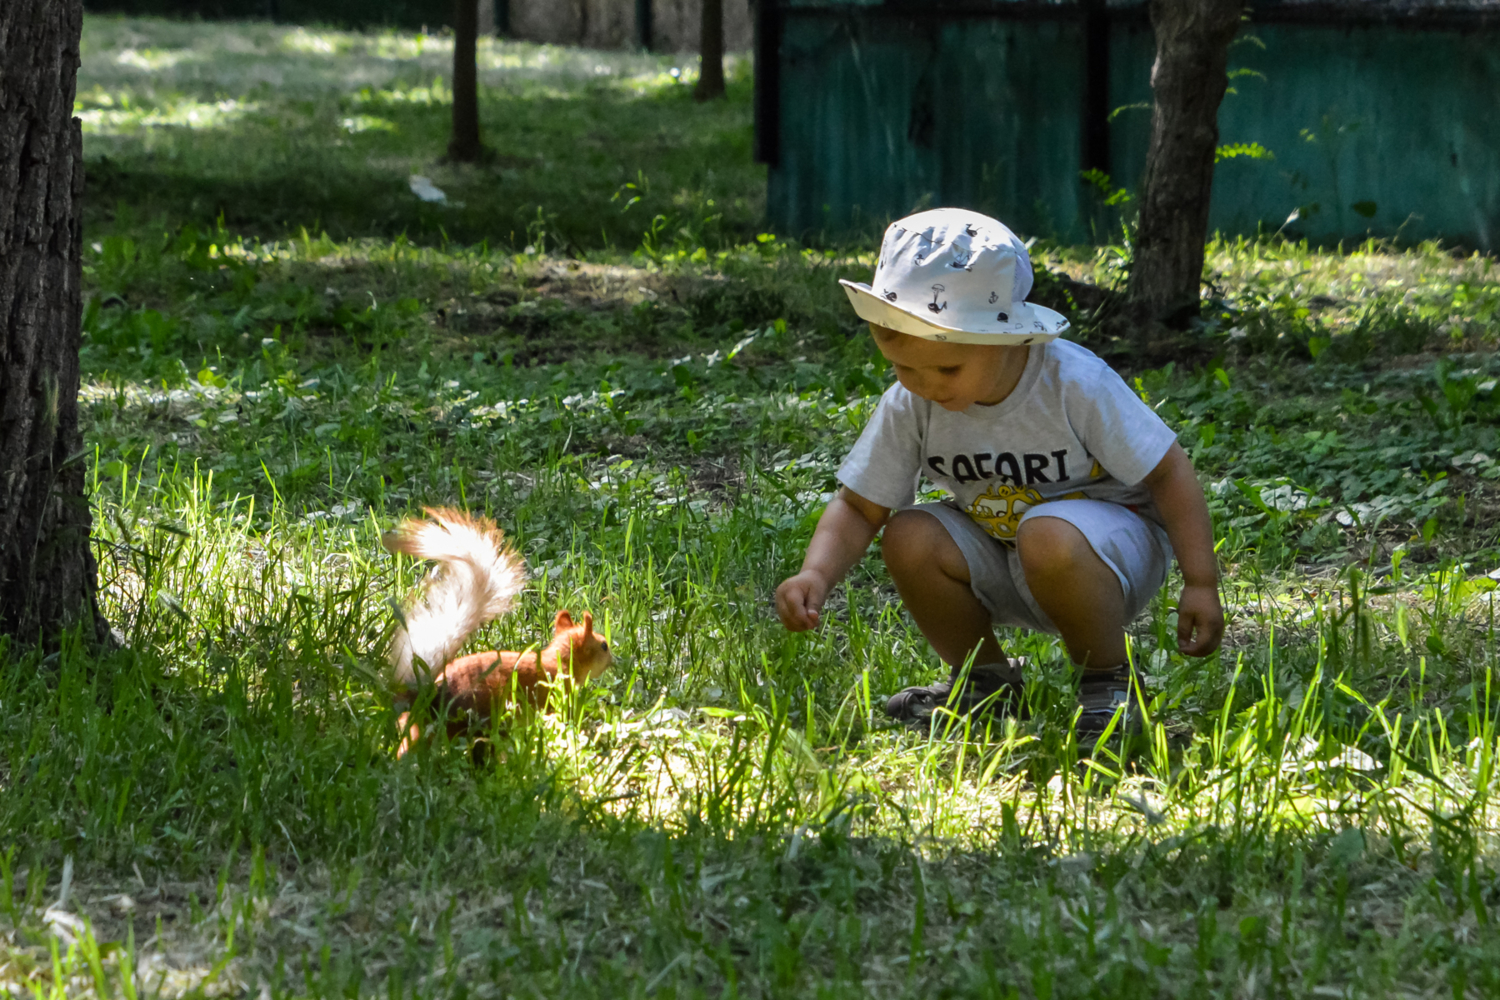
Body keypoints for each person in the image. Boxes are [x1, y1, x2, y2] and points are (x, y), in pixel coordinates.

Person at [774, 208, 1223, 736]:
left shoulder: (1072, 383)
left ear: (1005, 338)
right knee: (908, 534)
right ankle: (984, 683)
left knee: (1048, 532)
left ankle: (1109, 683)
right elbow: (859, 505)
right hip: (1004, 548)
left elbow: (1168, 472)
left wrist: (1200, 581)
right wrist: (815, 574)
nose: (925, 386)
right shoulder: (912, 404)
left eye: (946, 368)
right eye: (904, 368)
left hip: (1105, 555)